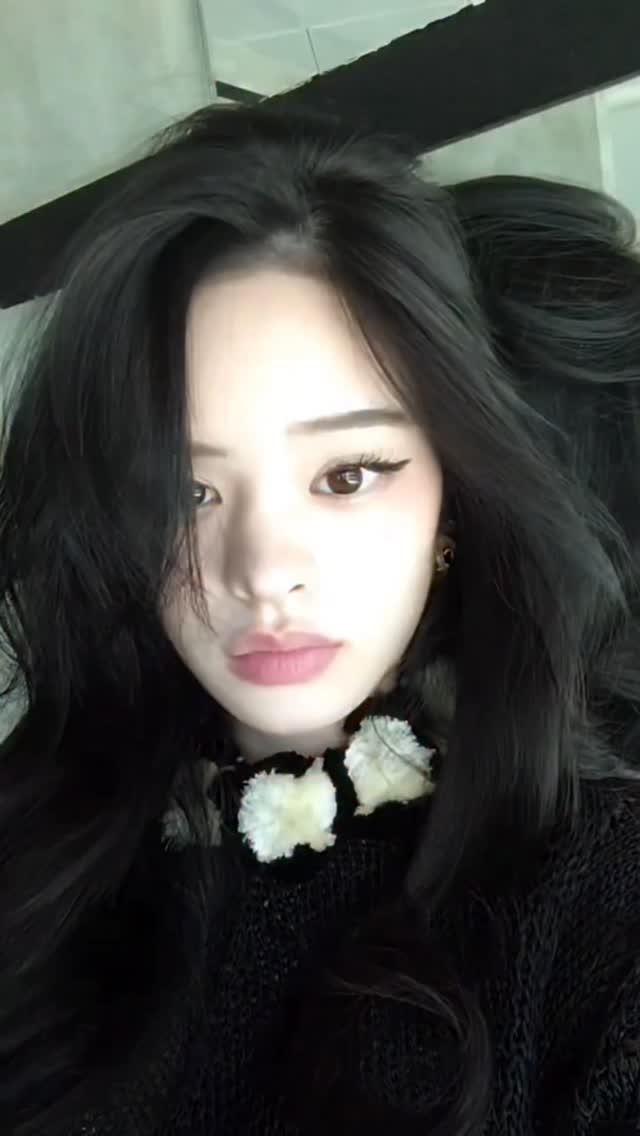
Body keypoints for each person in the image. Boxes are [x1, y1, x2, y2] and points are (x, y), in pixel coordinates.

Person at [0, 104, 639, 1136]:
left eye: (346, 475)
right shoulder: (38, 854)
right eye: (184, 491)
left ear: (452, 494)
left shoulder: (599, 900)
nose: (263, 571)